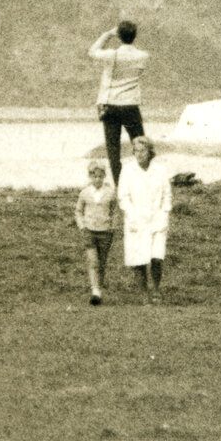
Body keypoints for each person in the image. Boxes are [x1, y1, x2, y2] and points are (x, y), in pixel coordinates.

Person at [88, 20, 149, 184]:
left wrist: (107, 34)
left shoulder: (111, 55)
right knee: (140, 144)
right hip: (130, 104)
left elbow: (92, 51)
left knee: (113, 150)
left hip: (110, 105)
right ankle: (142, 181)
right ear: (134, 36)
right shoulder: (143, 56)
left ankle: (119, 185)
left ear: (119, 36)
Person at [118, 136, 172, 303]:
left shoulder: (160, 170)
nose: (140, 154)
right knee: (139, 258)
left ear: (150, 152)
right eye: (136, 151)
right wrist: (133, 215)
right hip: (136, 219)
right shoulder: (127, 170)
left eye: (143, 151)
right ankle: (143, 294)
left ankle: (156, 289)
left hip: (157, 218)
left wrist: (163, 213)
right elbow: (123, 196)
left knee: (157, 256)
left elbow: (167, 195)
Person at [74, 161, 116, 305]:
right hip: (89, 232)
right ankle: (95, 291)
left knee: (102, 262)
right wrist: (82, 226)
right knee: (93, 261)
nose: (97, 179)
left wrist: (112, 226)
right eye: (94, 176)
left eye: (100, 176)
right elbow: (78, 211)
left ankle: (99, 288)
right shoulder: (85, 193)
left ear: (104, 176)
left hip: (105, 232)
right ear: (90, 177)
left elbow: (114, 210)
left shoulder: (110, 192)